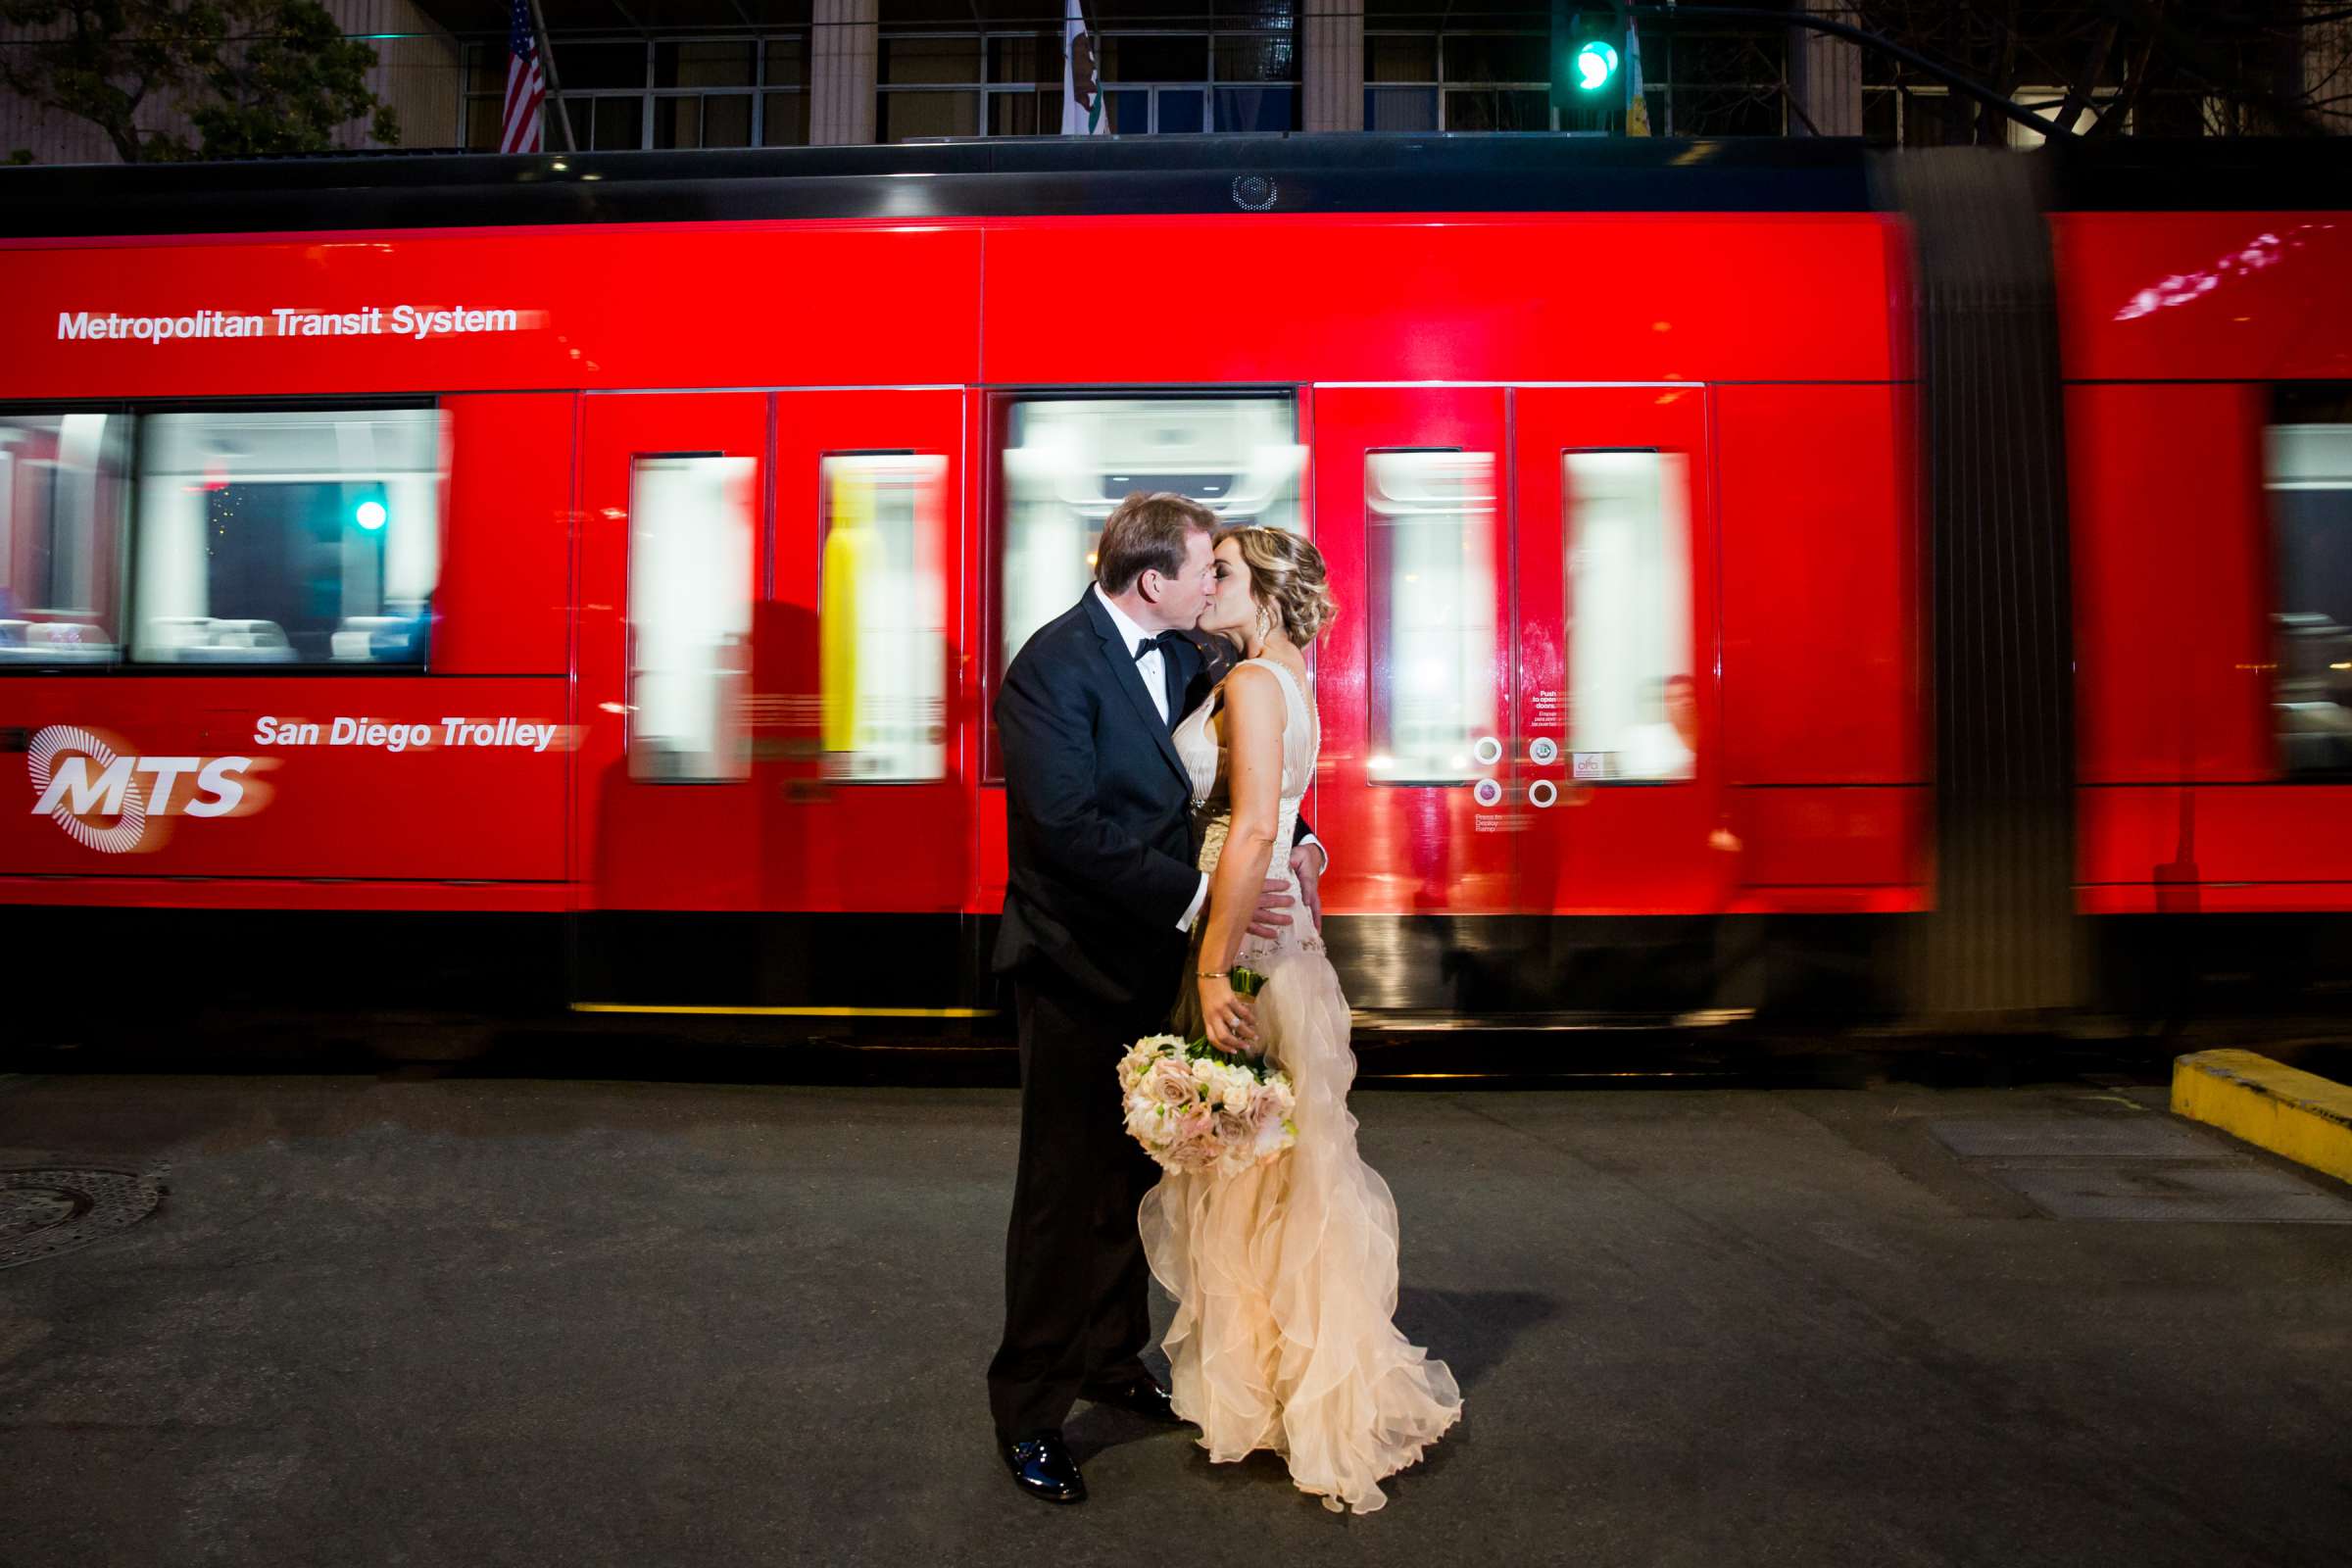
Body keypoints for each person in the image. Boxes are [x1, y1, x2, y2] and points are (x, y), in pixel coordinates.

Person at [988, 492, 1326, 1505]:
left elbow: (1263, 769)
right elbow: (1064, 829)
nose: (1212, 584)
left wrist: (1306, 842)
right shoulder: (1049, 666)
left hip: (1165, 966)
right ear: (1152, 582)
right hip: (1074, 964)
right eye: (1201, 571)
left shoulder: (1198, 653)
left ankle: (1109, 1353)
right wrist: (1197, 898)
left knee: (1136, 1181)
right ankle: (1031, 1410)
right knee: (1059, 1190)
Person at [1141, 524, 1462, 1515]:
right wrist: (1304, 868)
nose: (1208, 585)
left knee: (1249, 1177)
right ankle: (1291, 1392)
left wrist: (1213, 967)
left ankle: (1266, 1396)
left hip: (1249, 947)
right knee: (1287, 1173)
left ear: (1271, 593)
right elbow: (1278, 823)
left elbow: (1246, 838)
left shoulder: (1246, 685)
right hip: (1289, 949)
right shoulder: (1287, 682)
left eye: (1226, 573)